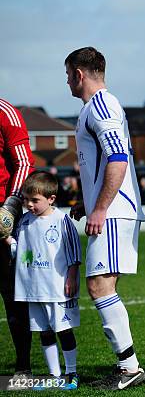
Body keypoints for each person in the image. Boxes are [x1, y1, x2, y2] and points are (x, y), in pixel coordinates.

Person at [65, 46, 145, 390]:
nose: (67, 81)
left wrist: (100, 207)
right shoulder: (94, 107)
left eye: (68, 74)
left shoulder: (100, 105)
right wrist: (89, 202)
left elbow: (117, 158)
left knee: (100, 286)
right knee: (101, 286)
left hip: (114, 213)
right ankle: (127, 366)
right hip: (108, 209)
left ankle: (129, 368)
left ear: (80, 74)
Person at [10, 171, 81, 389]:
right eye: (26, 200)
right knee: (44, 331)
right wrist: (8, 240)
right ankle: (53, 375)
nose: (29, 204)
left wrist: (71, 277)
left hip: (57, 286)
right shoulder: (25, 221)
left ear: (51, 199)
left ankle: (71, 373)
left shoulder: (61, 220)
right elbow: (24, 253)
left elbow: (74, 253)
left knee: (63, 330)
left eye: (35, 200)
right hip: (34, 287)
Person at [0, 98, 34, 377]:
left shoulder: (6, 113)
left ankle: (23, 365)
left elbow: (24, 163)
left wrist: (9, 207)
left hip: (2, 226)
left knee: (13, 300)